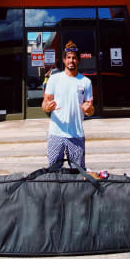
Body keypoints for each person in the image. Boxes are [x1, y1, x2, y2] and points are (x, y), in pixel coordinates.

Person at [42, 40, 94, 168]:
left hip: (76, 135)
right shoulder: (54, 79)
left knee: (78, 172)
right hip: (56, 134)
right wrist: (47, 107)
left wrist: (89, 109)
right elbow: (45, 104)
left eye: (74, 58)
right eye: (69, 58)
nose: (71, 60)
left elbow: (90, 109)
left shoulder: (86, 82)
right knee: (53, 172)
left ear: (78, 60)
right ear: (64, 60)